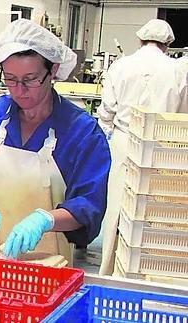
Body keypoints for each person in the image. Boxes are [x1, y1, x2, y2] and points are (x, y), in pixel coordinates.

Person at [0, 18, 111, 264]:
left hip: (44, 260)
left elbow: (88, 204)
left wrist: (45, 220)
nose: (19, 90)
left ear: (52, 71)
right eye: (10, 79)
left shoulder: (82, 133)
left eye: (30, 79)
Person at [97, 19, 188, 276]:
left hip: (125, 141)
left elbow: (106, 112)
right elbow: (182, 114)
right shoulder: (179, 69)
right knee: (156, 215)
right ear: (168, 45)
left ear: (140, 40)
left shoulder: (121, 65)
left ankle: (109, 270)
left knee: (117, 208)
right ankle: (152, 272)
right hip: (163, 146)